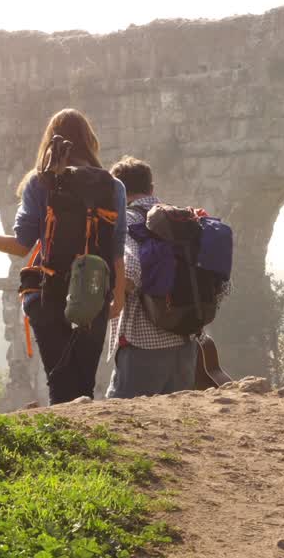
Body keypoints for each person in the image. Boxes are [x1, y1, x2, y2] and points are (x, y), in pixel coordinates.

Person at [0, 108, 127, 405]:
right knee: (84, 381)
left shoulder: (39, 183)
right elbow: (116, 248)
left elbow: (21, 246)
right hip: (93, 292)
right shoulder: (113, 186)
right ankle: (83, 446)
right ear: (89, 141)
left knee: (58, 380)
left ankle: (62, 445)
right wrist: (118, 296)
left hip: (49, 292)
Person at [106, 155, 222, 398]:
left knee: (126, 422)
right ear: (151, 189)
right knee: (176, 425)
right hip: (186, 343)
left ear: (117, 192)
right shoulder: (184, 220)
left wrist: (110, 302)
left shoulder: (127, 222)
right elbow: (220, 280)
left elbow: (129, 271)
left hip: (142, 346)